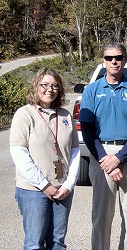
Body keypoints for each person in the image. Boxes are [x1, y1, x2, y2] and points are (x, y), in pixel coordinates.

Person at [79, 42, 127, 250]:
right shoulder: (92, 90)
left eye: (118, 57)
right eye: (109, 58)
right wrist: (105, 159)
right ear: (103, 61)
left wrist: (119, 158)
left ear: (125, 60)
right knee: (101, 215)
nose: (114, 61)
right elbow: (87, 128)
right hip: (101, 154)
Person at [9, 67, 81, 249]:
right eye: (45, 85)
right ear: (36, 86)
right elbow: (19, 153)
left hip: (62, 191)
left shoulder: (65, 115)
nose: (50, 90)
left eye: (55, 86)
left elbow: (74, 152)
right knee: (35, 243)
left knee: (58, 242)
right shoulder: (24, 114)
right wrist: (45, 186)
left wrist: (68, 185)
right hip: (33, 190)